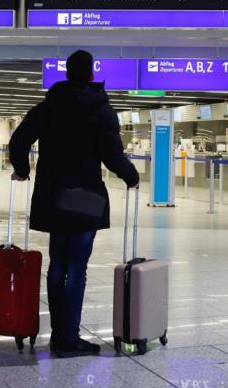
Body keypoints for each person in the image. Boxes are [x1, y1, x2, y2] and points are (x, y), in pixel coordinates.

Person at [8, 49, 139, 358]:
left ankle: (58, 334)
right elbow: (112, 155)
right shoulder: (102, 109)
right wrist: (131, 177)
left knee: (58, 265)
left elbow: (18, 141)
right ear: (92, 74)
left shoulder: (48, 106)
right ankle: (69, 338)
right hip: (84, 199)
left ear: (66, 73)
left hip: (52, 197)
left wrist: (23, 171)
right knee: (76, 268)